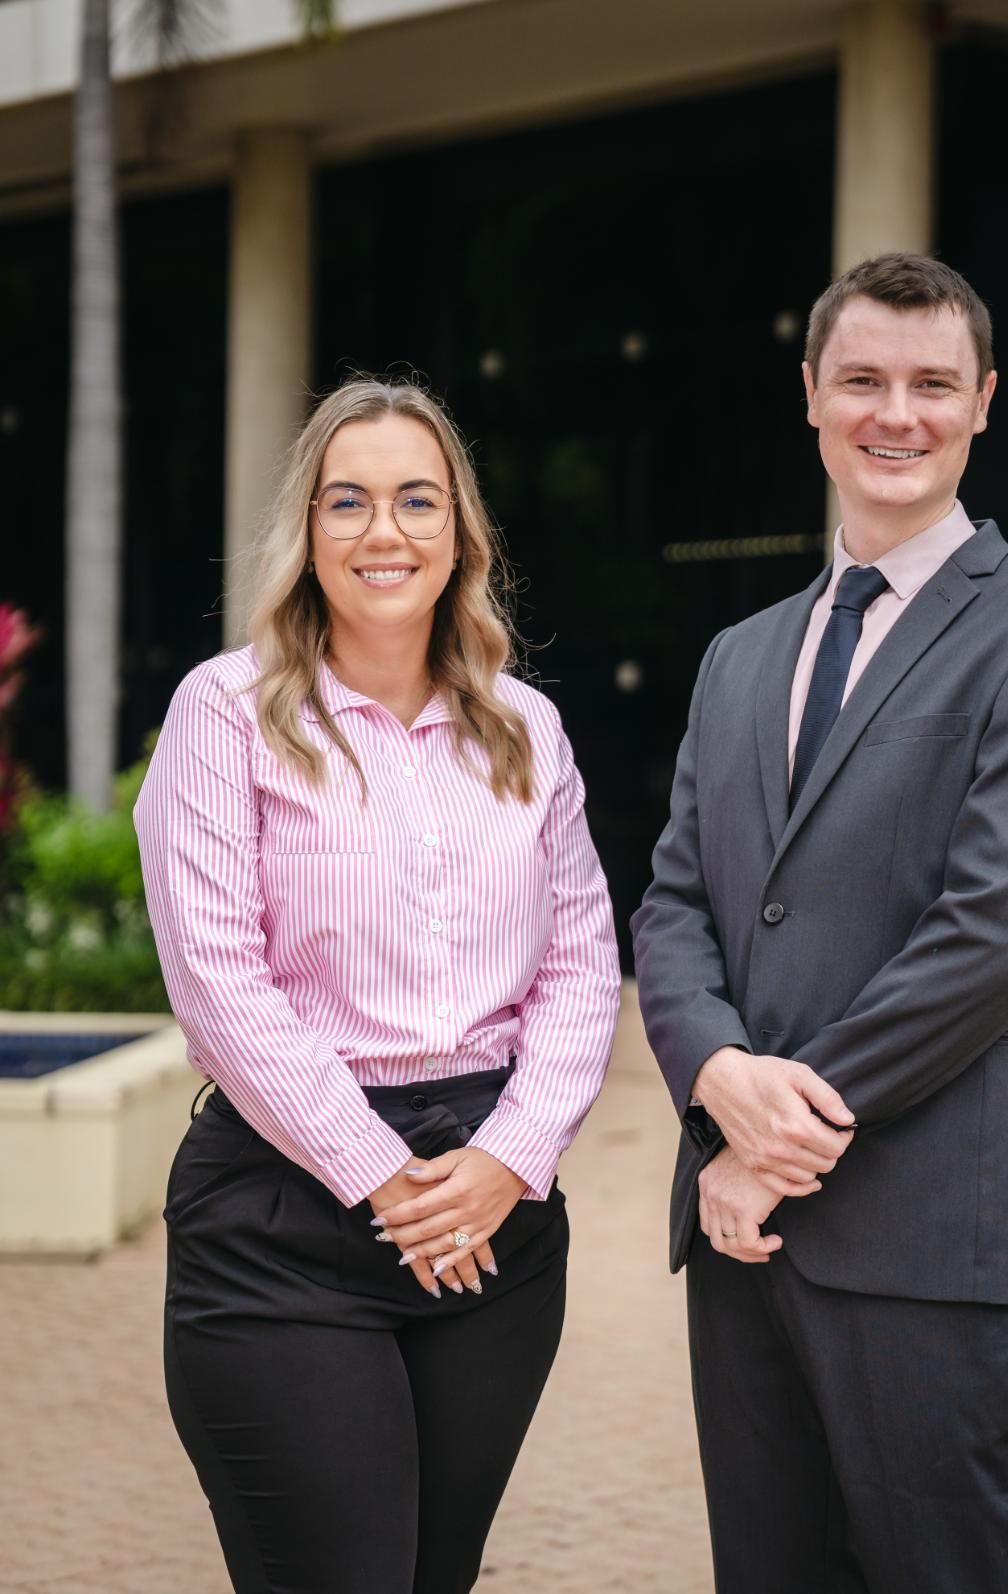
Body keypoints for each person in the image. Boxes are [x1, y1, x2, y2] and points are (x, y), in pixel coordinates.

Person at [631, 252, 1008, 1593]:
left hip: (929, 1247)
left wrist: (774, 1141)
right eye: (862, 379)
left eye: (930, 383)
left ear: (982, 402)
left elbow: (997, 931)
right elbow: (676, 898)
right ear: (810, 396)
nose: (894, 413)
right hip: (740, 1251)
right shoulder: (738, 654)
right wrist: (715, 1079)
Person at [135, 377, 621, 1594]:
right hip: (285, 1213)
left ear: (460, 532)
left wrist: (512, 1160)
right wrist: (380, 1177)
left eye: (416, 499)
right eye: (346, 501)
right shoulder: (226, 711)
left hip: (492, 1212)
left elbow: (580, 966)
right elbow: (216, 983)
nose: (382, 531)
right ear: (306, 531)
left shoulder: (526, 729)